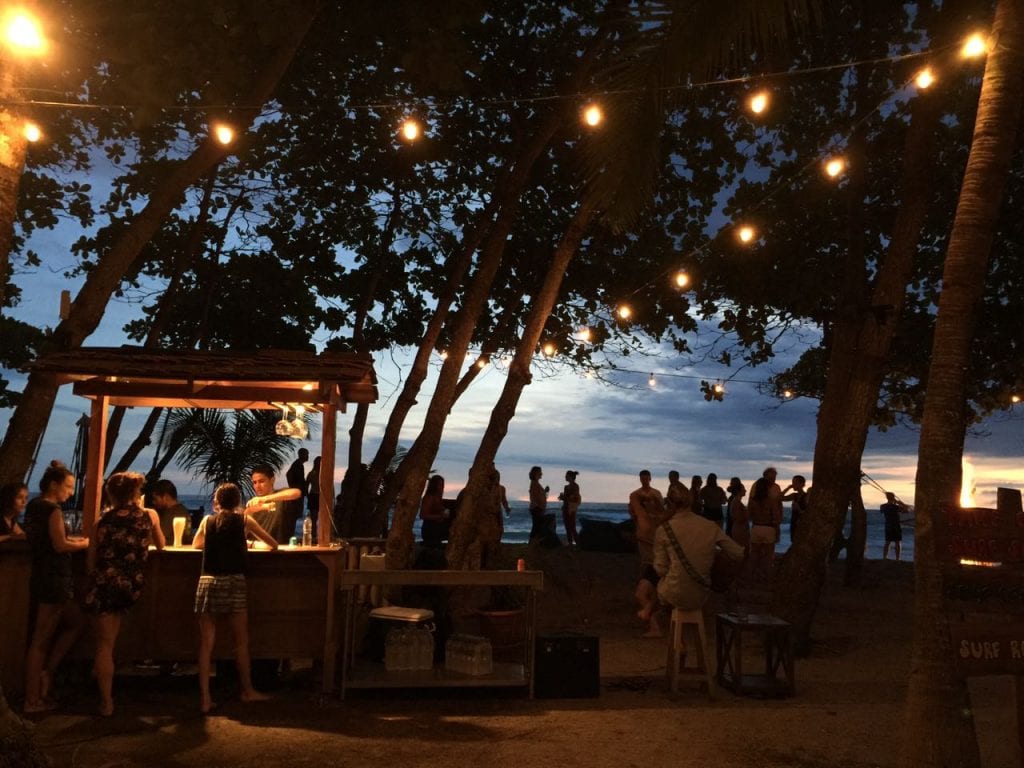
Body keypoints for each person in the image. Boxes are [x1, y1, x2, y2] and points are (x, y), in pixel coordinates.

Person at [84, 471, 164, 716]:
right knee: (111, 640)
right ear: (133, 493)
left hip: (105, 583)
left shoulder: (102, 522)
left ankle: (106, 701)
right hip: (131, 585)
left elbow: (90, 563)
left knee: (104, 645)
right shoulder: (148, 516)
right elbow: (161, 544)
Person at [193, 483, 276, 714]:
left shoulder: (206, 521)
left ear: (217, 502)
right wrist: (248, 543)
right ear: (238, 501)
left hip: (208, 582)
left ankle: (205, 698)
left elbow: (196, 544)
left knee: (206, 644)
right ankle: (248, 691)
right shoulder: (244, 521)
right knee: (240, 642)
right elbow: (273, 544)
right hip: (234, 583)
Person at [23, 461, 89, 714]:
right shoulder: (52, 510)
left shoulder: (32, 507)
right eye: (68, 487)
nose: (71, 492)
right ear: (54, 485)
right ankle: (33, 700)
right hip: (54, 578)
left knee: (76, 621)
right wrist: (84, 544)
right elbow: (60, 545)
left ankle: (46, 674)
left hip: (43, 575)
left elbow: (48, 540)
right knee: (40, 640)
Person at [653, 491, 744, 612]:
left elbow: (661, 569)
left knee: (654, 582)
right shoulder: (710, 526)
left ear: (669, 505)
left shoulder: (664, 529)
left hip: (674, 593)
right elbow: (738, 553)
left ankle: (657, 624)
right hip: (701, 594)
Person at [628, 470, 667, 637]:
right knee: (647, 574)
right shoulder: (635, 495)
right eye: (642, 478)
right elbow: (633, 514)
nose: (644, 480)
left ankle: (654, 621)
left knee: (653, 581)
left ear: (650, 479)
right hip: (646, 543)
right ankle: (653, 620)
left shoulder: (656, 495)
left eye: (646, 477)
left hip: (655, 547)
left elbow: (662, 514)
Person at [246, 464, 301, 544]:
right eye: (254, 482)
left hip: (280, 550)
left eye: (261, 481)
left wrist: (265, 499)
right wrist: (249, 511)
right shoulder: (253, 503)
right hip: (256, 551)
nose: (257, 486)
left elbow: (296, 493)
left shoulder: (281, 497)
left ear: (272, 480)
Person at [747, 467, 783, 582]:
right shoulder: (771, 501)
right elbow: (776, 516)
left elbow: (748, 514)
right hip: (769, 528)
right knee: (768, 556)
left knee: (754, 555)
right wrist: (777, 530)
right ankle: (767, 578)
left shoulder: (753, 500)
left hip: (756, 526)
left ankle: (751, 576)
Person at [150, 478, 192, 545]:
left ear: (165, 497)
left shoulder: (174, 513)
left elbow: (160, 538)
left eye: (155, 499)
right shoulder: (182, 510)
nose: (153, 502)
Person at [284, 448, 309, 543]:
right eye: (306, 454)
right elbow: (289, 475)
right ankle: (289, 537)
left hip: (298, 494)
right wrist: (295, 487)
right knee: (294, 516)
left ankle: (290, 535)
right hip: (296, 495)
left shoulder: (298, 464)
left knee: (294, 516)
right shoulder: (298, 465)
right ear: (301, 455)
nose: (307, 456)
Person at [419, 474, 451, 548]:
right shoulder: (429, 497)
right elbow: (422, 515)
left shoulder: (438, 497)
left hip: (437, 528)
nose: (442, 487)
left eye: (443, 485)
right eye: (440, 485)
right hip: (430, 529)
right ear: (434, 485)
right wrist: (440, 516)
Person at [880, 492, 912, 560]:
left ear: (887, 498)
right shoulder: (896, 507)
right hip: (896, 525)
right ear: (894, 498)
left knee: (887, 542)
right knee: (897, 542)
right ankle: (897, 558)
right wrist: (901, 503)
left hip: (888, 525)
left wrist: (896, 503)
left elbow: (881, 511)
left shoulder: (883, 506)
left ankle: (884, 557)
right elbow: (908, 510)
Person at [782, 475, 808, 544]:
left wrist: (798, 509)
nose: (793, 484)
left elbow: (808, 513)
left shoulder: (806, 496)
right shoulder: (794, 495)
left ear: (801, 484)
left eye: (795, 482)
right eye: (792, 482)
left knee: (800, 542)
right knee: (794, 541)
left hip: (802, 523)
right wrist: (788, 488)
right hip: (794, 521)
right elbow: (780, 498)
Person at [726, 478, 749, 551]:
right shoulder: (736, 502)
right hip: (739, 530)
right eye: (744, 489)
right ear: (739, 491)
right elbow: (737, 518)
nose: (745, 490)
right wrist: (747, 515)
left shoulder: (736, 501)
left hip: (739, 529)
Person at [559, 470, 581, 546]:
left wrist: (564, 497)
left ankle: (578, 543)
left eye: (566, 476)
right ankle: (570, 543)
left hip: (571, 508)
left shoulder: (575, 486)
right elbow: (567, 498)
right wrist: (563, 498)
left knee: (572, 526)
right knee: (567, 526)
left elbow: (574, 497)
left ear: (570, 477)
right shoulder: (566, 487)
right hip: (566, 507)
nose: (565, 477)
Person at [528, 466, 550, 542]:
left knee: (537, 526)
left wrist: (545, 491)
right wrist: (540, 506)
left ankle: (533, 543)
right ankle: (532, 543)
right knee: (536, 527)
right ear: (536, 473)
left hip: (537, 508)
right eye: (540, 472)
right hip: (536, 508)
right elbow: (535, 497)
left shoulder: (536, 483)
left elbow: (540, 496)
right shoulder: (534, 484)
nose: (541, 474)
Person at [305, 455, 322, 534]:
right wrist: (308, 495)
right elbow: (306, 485)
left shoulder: (313, 473)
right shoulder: (313, 473)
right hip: (314, 496)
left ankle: (318, 534)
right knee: (314, 518)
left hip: (317, 496)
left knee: (318, 517)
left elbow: (306, 485)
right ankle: (314, 534)